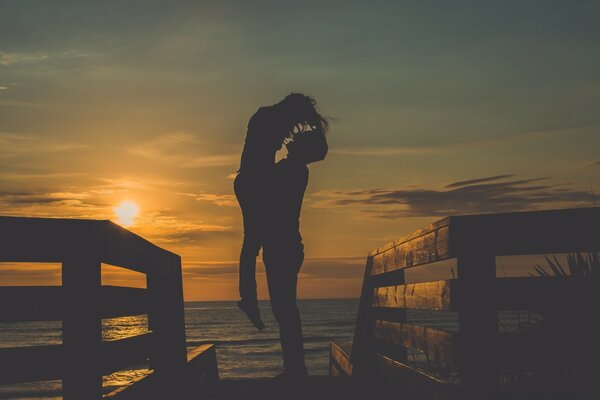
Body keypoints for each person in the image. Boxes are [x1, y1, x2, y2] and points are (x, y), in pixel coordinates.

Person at [234, 93, 329, 330]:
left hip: (256, 186)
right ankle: (248, 299)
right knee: (251, 244)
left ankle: (248, 298)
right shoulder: (269, 121)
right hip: (253, 185)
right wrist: (314, 131)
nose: (288, 138)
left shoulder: (290, 167)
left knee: (251, 244)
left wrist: (311, 135)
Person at [263, 130, 328, 390]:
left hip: (283, 247)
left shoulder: (293, 170)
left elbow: (264, 186)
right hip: (284, 246)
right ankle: (295, 370)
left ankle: (295, 372)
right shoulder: (294, 169)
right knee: (285, 310)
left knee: (285, 310)